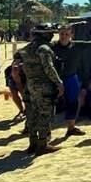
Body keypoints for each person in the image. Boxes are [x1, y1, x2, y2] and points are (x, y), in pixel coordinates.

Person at [18, 23, 64, 156]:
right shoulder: (43, 49)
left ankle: (33, 143)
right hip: (44, 85)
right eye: (50, 33)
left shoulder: (27, 48)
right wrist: (59, 83)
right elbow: (49, 68)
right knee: (45, 114)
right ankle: (42, 145)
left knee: (33, 114)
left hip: (30, 85)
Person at [4, 52, 27, 121]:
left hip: (20, 77)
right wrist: (19, 85)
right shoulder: (12, 69)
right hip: (13, 78)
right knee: (16, 94)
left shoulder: (23, 65)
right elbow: (16, 77)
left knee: (22, 95)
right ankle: (22, 110)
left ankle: (25, 110)